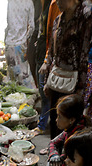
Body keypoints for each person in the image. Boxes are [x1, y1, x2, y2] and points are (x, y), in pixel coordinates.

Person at [43, 0, 92, 138]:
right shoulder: (58, 19)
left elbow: (84, 54)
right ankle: (53, 151)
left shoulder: (85, 16)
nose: (57, 2)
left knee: (69, 122)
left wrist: (81, 89)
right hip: (56, 78)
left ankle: (66, 153)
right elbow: (53, 53)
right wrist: (47, 80)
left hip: (73, 82)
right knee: (55, 118)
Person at [44, 94, 90, 166]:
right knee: (53, 160)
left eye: (59, 117)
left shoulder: (79, 138)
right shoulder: (70, 129)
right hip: (69, 164)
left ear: (72, 120)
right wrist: (54, 155)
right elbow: (53, 142)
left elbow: (69, 161)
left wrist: (59, 159)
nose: (56, 120)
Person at [31, 0, 52, 136]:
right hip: (40, 54)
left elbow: (52, 35)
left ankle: (42, 125)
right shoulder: (42, 5)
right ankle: (43, 123)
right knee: (42, 91)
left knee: (45, 94)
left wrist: (46, 59)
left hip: (45, 57)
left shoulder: (53, 4)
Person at [4, 0, 35, 88]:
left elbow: (8, 22)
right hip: (20, 45)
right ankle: (25, 101)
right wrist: (25, 38)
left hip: (9, 45)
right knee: (24, 80)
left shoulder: (10, 1)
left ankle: (15, 100)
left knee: (13, 82)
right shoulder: (29, 2)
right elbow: (32, 27)